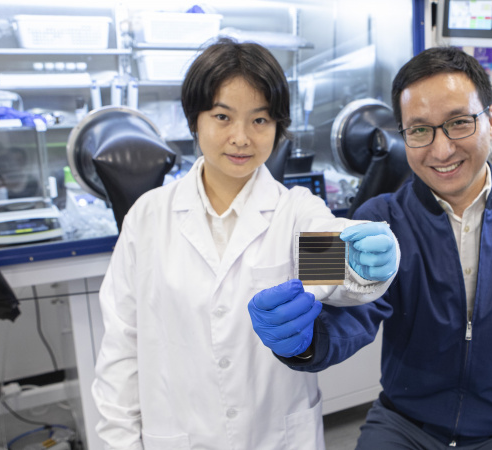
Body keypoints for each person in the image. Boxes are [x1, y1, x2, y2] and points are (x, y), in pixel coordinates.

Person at [250, 46, 492, 449]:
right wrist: (303, 341)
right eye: (420, 130)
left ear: (491, 119)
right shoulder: (374, 217)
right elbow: (340, 313)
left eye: (458, 122)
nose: (441, 149)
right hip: (404, 425)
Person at [91, 38, 399, 450]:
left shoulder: (292, 212)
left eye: (260, 120)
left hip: (275, 435)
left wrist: (366, 265)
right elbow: (121, 349)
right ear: (194, 120)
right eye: (223, 116)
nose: (241, 137)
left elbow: (338, 271)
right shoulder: (149, 218)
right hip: (179, 434)